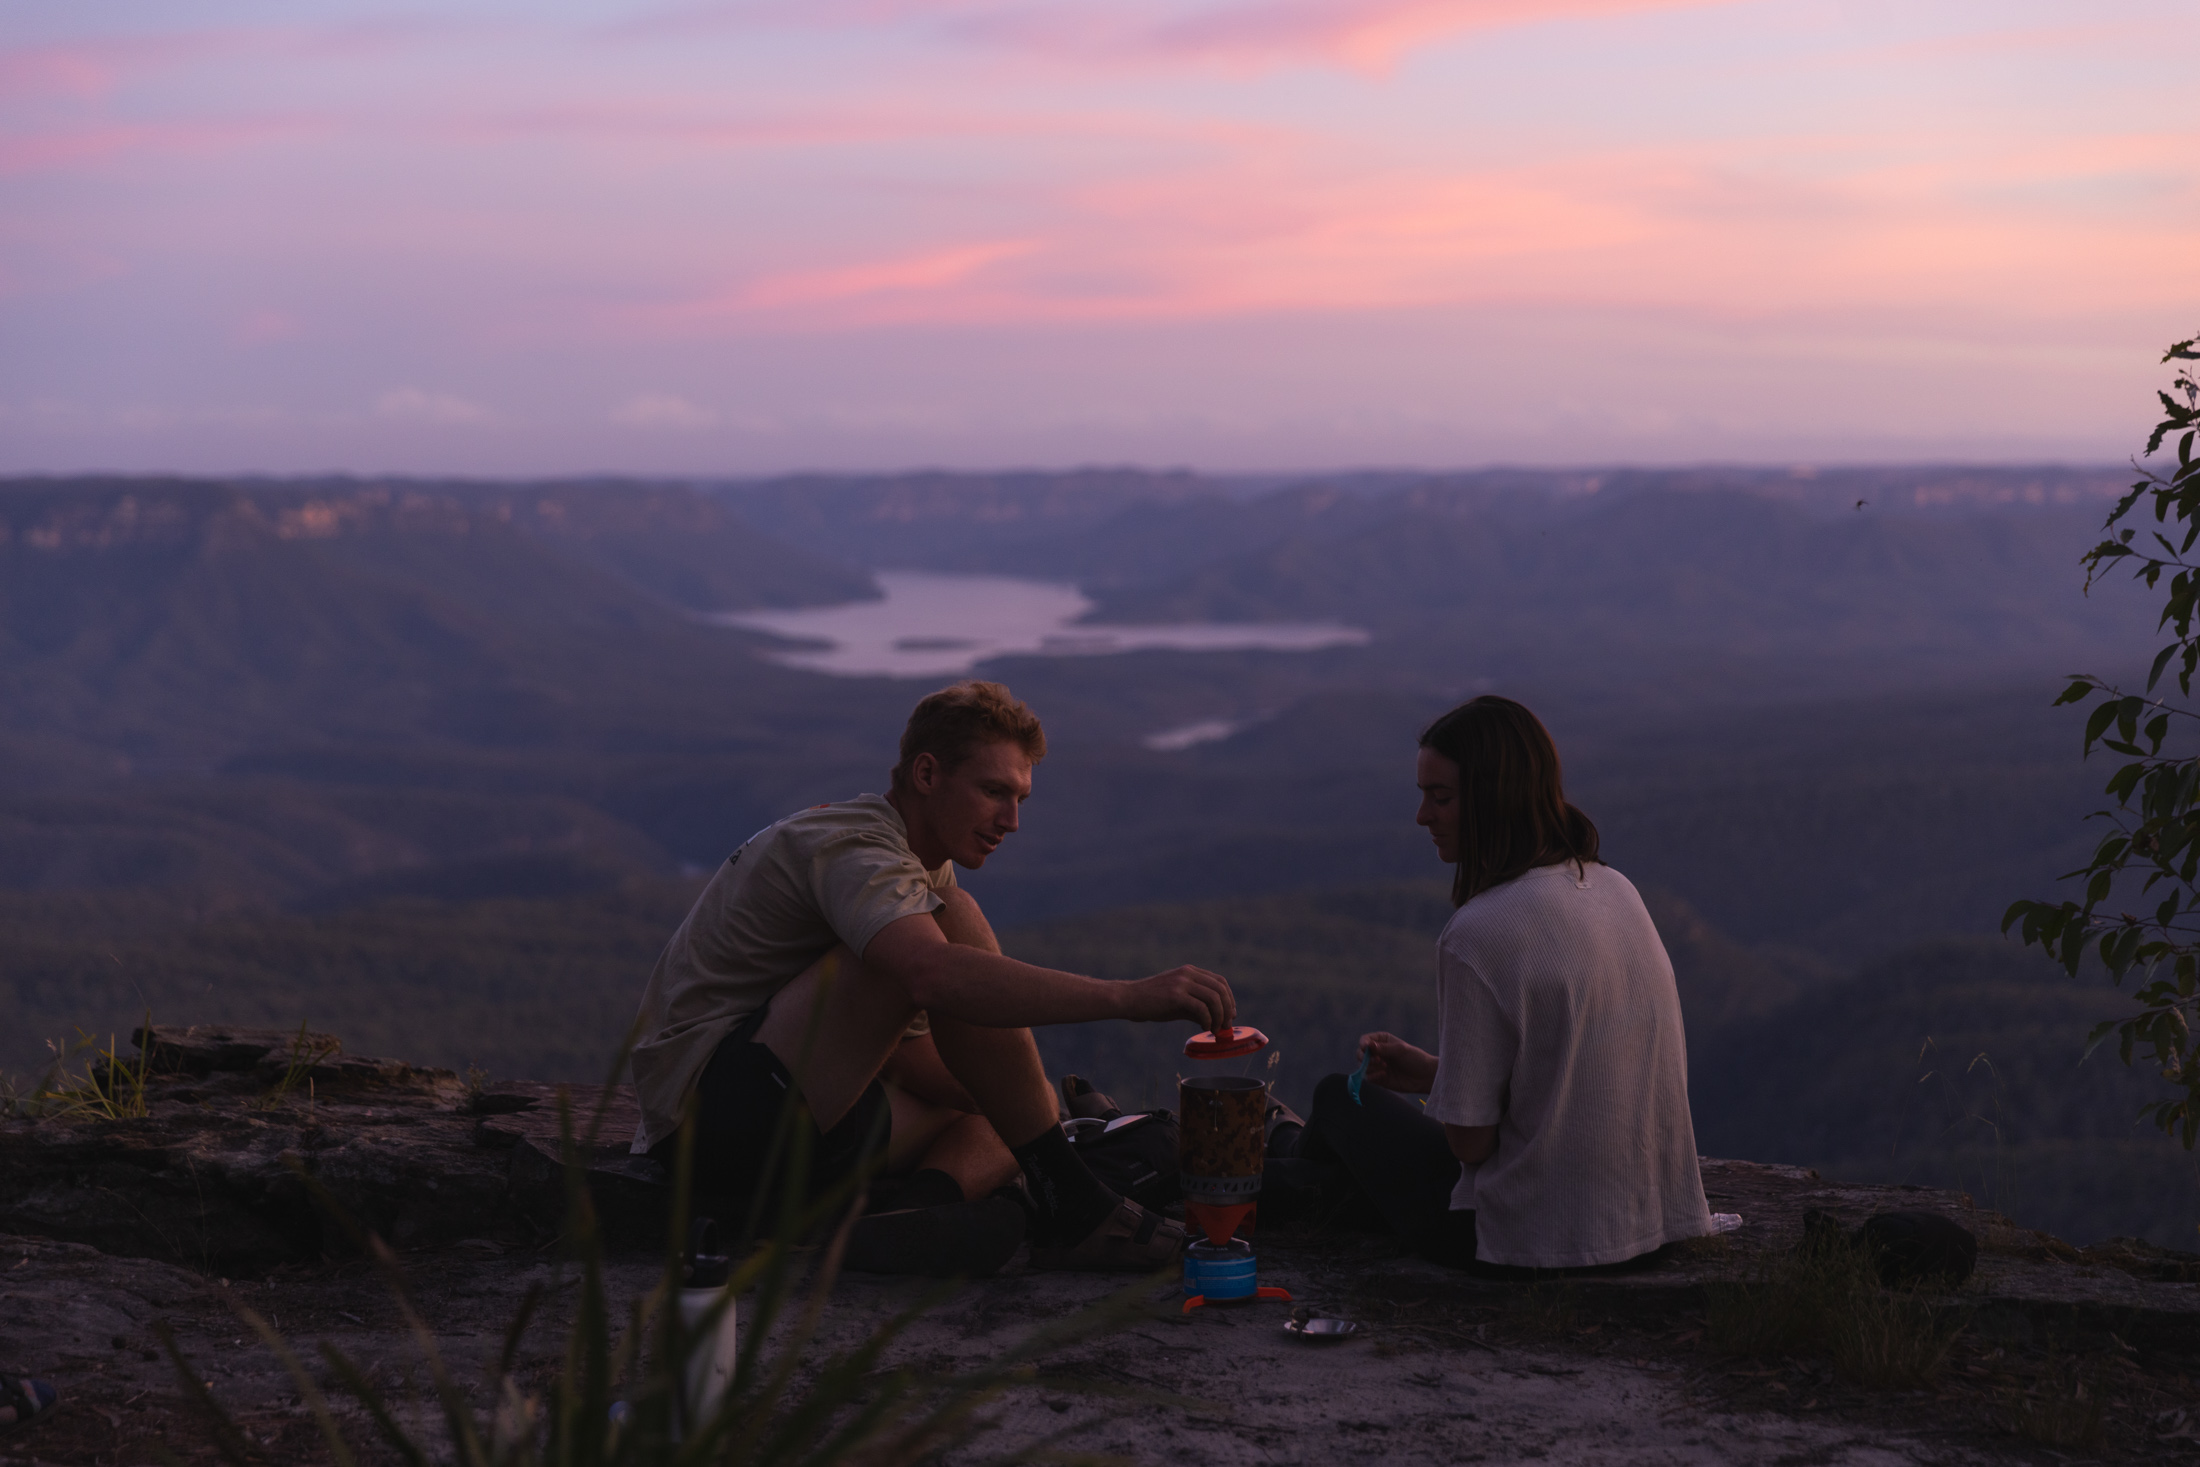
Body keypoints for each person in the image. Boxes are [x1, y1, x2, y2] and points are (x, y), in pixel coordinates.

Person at [628, 680, 1234, 1273]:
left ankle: (911, 1216)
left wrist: (1018, 1099)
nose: (1012, 820)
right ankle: (1076, 1208)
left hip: (804, 1114)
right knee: (948, 932)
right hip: (709, 1122)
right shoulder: (855, 850)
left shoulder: (919, 876)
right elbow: (929, 976)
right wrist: (1127, 997)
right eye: (994, 791)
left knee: (1023, 1112)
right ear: (926, 775)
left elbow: (907, 1056)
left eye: (1020, 797)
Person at [1294, 695, 1711, 1271]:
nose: (1423, 816)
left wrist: (1451, 1099)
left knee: (1337, 1097)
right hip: (1648, 1223)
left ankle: (1264, 1195)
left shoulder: (1478, 932)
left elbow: (1471, 1145)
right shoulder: (1617, 889)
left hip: (1531, 1240)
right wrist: (1439, 1075)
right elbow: (1569, 1079)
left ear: (1493, 799)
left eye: (1440, 797)